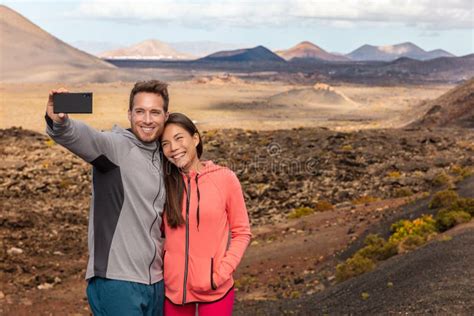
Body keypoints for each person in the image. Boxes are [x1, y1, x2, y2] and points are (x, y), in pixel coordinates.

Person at [45, 80, 169, 316]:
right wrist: (58, 122)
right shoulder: (116, 147)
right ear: (129, 114)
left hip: (155, 283)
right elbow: (81, 136)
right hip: (117, 281)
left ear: (166, 116)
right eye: (140, 111)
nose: (147, 119)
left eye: (155, 112)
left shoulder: (164, 157)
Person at [160, 113, 252, 315]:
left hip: (215, 292)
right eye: (165, 143)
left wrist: (220, 274)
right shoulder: (163, 184)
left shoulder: (225, 179)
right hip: (173, 293)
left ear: (195, 138)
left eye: (179, 138)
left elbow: (242, 232)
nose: (173, 148)